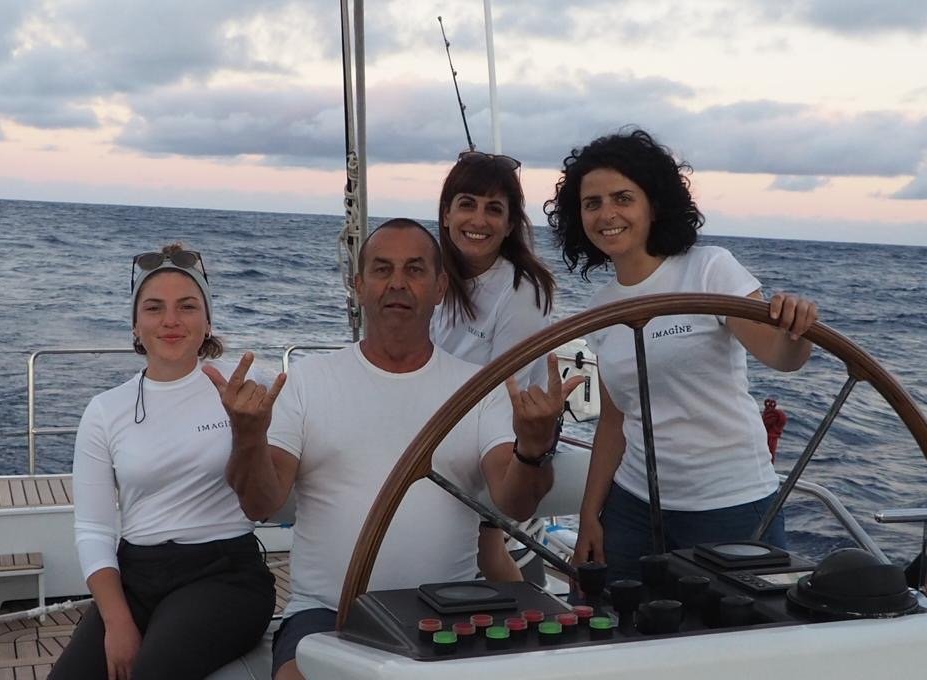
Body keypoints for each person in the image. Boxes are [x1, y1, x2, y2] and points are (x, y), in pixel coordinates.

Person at [205, 219, 581, 680]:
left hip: (450, 611)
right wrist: (248, 437)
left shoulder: (476, 389)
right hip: (328, 612)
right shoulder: (307, 382)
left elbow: (514, 499)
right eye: (382, 270)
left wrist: (534, 446)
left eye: (415, 270)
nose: (397, 283)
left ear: (440, 286)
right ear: (359, 285)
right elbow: (260, 503)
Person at [544, 129, 818, 583]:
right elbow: (616, 421)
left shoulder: (710, 269)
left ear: (654, 204)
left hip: (730, 506)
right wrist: (591, 514)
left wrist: (797, 327)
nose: (606, 214)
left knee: (736, 642)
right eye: (592, 203)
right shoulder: (601, 309)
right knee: (613, 634)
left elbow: (781, 356)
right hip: (632, 506)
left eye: (622, 198)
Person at [49, 245, 275, 680]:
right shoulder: (105, 410)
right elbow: (94, 530)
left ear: (207, 321)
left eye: (187, 306)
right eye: (154, 308)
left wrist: (249, 430)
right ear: (136, 325)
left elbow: (265, 503)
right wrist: (116, 623)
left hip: (224, 574)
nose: (170, 320)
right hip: (137, 577)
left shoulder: (242, 394)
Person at [432, 150, 558, 582]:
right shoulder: (433, 277)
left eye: (494, 209)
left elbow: (505, 399)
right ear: (446, 213)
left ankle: (525, 625)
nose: (478, 220)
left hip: (499, 439)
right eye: (467, 204)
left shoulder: (522, 290)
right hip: (442, 433)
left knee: (488, 553)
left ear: (509, 225)